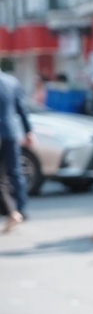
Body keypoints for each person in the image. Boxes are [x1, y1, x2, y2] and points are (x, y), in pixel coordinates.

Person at [0, 68, 34, 232]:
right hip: (10, 132)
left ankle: (12, 212)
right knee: (15, 173)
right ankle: (20, 208)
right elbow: (22, 108)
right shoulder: (11, 81)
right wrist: (28, 131)